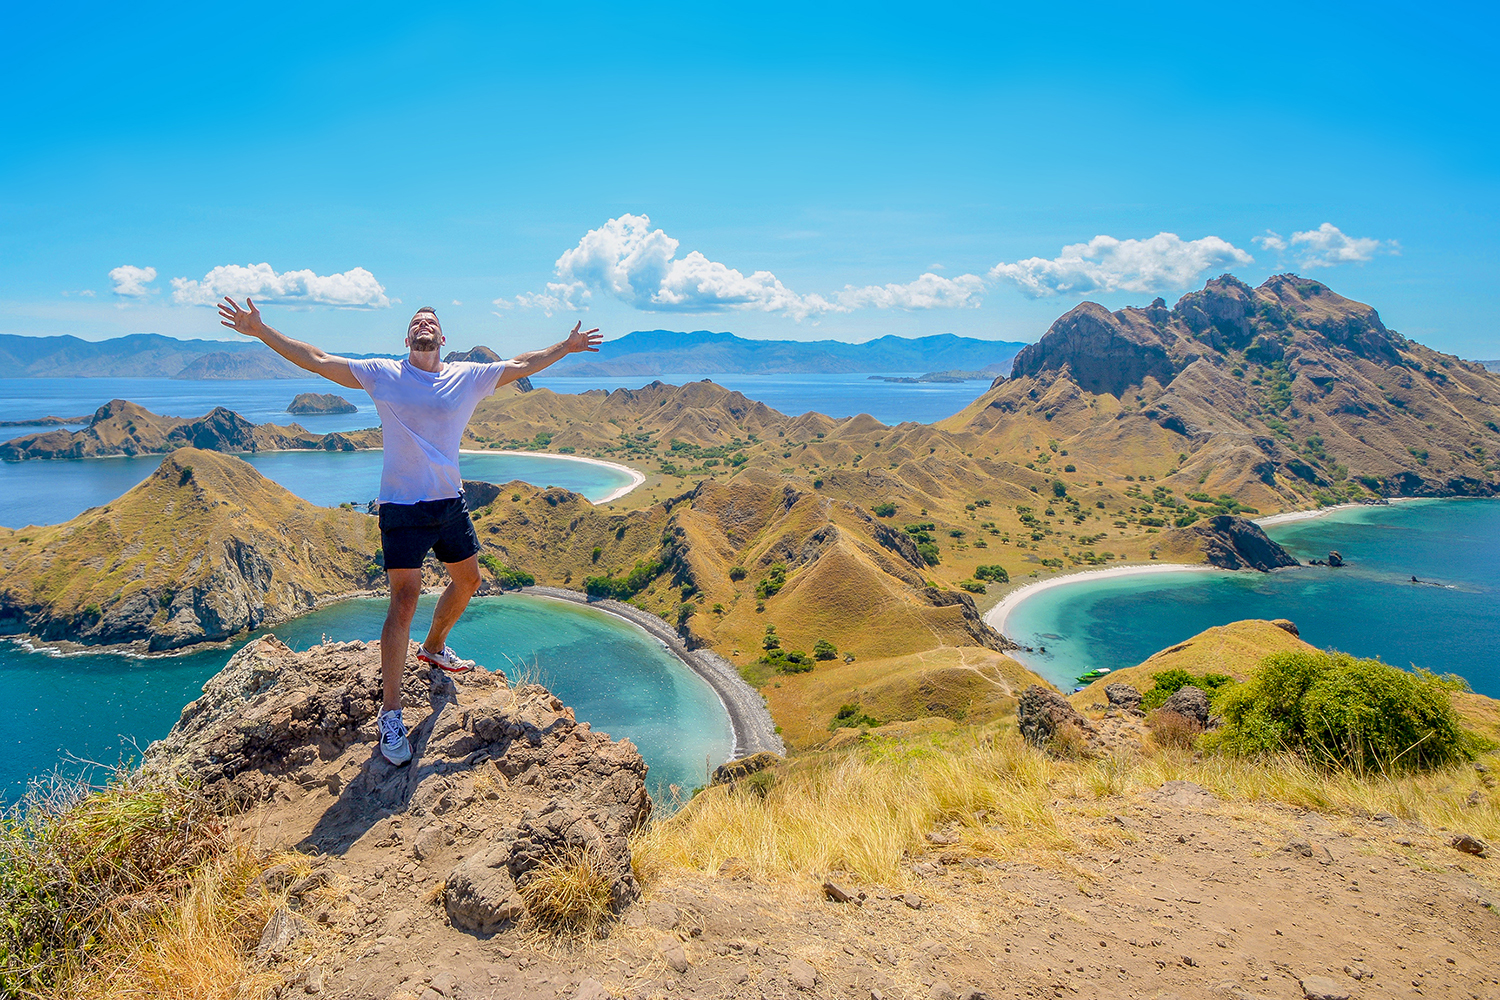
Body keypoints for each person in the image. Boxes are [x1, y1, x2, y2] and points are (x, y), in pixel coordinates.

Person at [217, 297, 601, 765]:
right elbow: (318, 360)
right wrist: (262, 331)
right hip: (401, 507)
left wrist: (567, 345)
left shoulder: (467, 377)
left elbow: (522, 364)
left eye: (432, 322)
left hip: (449, 503)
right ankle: (391, 716)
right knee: (404, 601)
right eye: (417, 321)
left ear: (443, 339)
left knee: (470, 581)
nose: (424, 325)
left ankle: (434, 647)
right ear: (407, 339)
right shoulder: (385, 374)